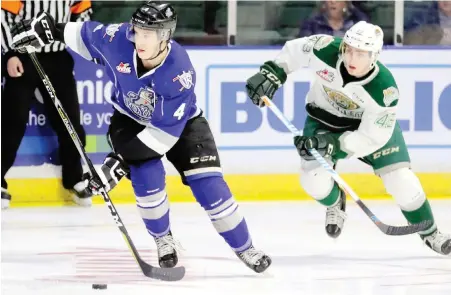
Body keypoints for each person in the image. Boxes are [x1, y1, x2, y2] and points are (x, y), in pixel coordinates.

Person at [11, 2, 271, 272]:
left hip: (181, 125)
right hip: (129, 120)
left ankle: (246, 247)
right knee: (148, 178)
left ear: (165, 36)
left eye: (149, 34)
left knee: (210, 186)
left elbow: (162, 137)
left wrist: (119, 161)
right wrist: (50, 30)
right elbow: (85, 35)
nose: (140, 39)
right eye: (137, 31)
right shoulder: (118, 39)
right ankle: (163, 239)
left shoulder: (179, 72)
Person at [245, 21, 451, 255]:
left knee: (402, 182)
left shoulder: (384, 90)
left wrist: (334, 145)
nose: (352, 58)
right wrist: (273, 72)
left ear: (374, 55)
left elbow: (371, 137)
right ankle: (335, 203)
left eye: (361, 53)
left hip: (368, 131)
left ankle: (431, 233)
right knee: (313, 180)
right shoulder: (326, 48)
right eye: (349, 49)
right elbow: (296, 50)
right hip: (323, 120)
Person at [1, 0, 93, 208]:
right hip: (23, 56)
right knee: (12, 123)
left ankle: (74, 178)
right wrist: (11, 53)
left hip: (58, 59)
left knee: (70, 122)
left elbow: (82, 15)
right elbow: (4, 17)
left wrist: (75, 38)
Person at [299, 0, 369, 38]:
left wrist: (351, 7)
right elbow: (304, 45)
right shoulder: (312, 23)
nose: (333, 1)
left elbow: (365, 23)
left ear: (345, 3)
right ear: (324, 3)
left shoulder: (354, 21)